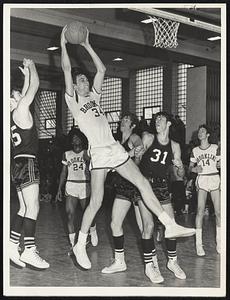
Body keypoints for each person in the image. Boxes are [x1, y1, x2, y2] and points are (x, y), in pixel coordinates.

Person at [60, 26, 195, 270]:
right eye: (81, 80)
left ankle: (169, 223)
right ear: (75, 87)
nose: (85, 81)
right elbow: (67, 68)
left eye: (84, 79)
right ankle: (80, 244)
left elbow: (101, 69)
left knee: (142, 182)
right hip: (99, 151)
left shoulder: (95, 98)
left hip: (114, 148)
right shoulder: (73, 101)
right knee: (97, 201)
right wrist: (63, 42)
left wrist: (88, 44)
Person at [133, 112, 187, 282]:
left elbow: (180, 175)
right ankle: (149, 266)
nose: (157, 121)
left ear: (169, 124)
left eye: (161, 119)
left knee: (171, 224)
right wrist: (137, 155)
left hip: (162, 186)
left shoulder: (175, 146)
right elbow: (136, 163)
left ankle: (172, 261)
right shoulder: (148, 137)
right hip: (145, 185)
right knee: (148, 226)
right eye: (156, 119)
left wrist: (179, 167)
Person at [10, 58, 49, 269]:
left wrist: (25, 75)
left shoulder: (11, 116)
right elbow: (34, 88)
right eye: (17, 95)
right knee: (33, 206)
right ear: (12, 100)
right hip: (28, 162)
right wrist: (33, 65)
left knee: (24, 207)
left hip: (16, 165)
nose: (21, 95)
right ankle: (29, 250)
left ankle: (12, 243)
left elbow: (24, 94)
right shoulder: (20, 110)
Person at [101, 112, 145, 274]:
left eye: (126, 120)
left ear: (132, 125)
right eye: (123, 119)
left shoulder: (134, 137)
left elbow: (140, 150)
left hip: (135, 184)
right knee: (115, 223)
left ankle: (152, 262)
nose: (122, 121)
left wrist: (130, 154)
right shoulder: (117, 142)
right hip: (121, 186)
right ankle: (119, 261)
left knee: (143, 227)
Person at [55, 128, 98, 251]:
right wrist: (59, 189)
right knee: (69, 215)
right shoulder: (66, 154)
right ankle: (73, 243)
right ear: (71, 141)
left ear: (82, 139)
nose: (76, 139)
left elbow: (93, 168)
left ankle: (93, 229)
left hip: (85, 185)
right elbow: (63, 173)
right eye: (73, 138)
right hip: (71, 185)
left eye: (78, 137)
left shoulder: (86, 152)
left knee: (88, 213)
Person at [189, 124, 221, 256]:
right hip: (202, 179)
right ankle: (198, 245)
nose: (200, 133)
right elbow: (190, 167)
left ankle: (220, 242)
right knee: (200, 211)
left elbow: (220, 164)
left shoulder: (215, 148)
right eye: (199, 131)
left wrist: (220, 164)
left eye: (202, 131)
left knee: (219, 212)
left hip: (214, 178)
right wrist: (194, 169)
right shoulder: (195, 150)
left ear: (207, 134)